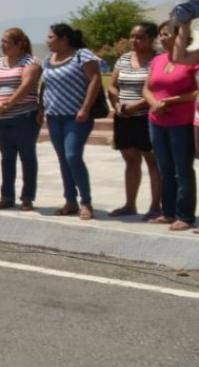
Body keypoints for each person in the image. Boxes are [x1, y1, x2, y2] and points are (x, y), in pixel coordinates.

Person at [40, 23, 102, 220]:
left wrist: (85, 108)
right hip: (54, 116)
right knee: (63, 159)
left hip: (76, 117)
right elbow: (45, 85)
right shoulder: (48, 59)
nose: (47, 41)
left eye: (51, 37)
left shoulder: (82, 55)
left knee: (73, 156)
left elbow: (95, 80)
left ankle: (86, 202)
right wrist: (41, 108)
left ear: (64, 39)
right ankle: (70, 200)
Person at [144, 21, 198, 230]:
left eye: (166, 34)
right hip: (157, 121)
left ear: (181, 35)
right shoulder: (158, 60)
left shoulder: (192, 59)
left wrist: (173, 101)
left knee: (182, 170)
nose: (162, 38)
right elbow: (147, 88)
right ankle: (168, 212)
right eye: (161, 34)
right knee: (164, 169)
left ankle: (185, 215)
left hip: (181, 122)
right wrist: (154, 103)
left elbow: (196, 91)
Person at [0, 27, 43, 211]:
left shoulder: (30, 61)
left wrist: (8, 104)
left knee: (27, 156)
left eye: (6, 42)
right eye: (2, 41)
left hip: (24, 116)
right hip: (0, 118)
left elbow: (27, 85)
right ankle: (7, 196)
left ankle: (27, 197)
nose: (2, 45)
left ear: (19, 44)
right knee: (7, 157)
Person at [106, 22, 161, 219]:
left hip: (147, 118)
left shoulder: (157, 60)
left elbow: (157, 90)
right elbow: (113, 85)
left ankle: (155, 206)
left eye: (140, 37)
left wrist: (136, 107)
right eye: (132, 36)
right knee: (130, 160)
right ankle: (130, 205)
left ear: (151, 38)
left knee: (152, 161)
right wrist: (117, 105)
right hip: (123, 118)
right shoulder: (124, 59)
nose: (134, 40)